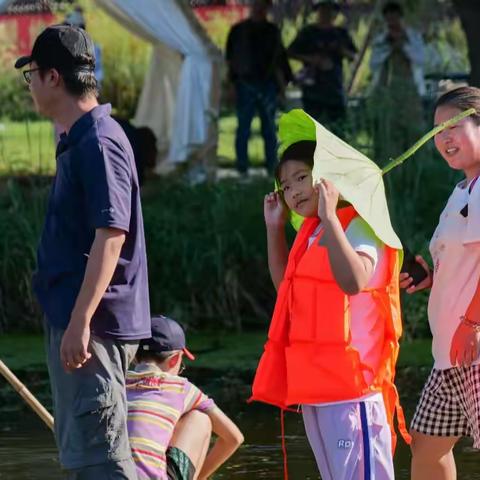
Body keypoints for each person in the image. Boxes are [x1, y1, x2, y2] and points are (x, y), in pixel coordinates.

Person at [14, 24, 150, 478]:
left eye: (31, 73)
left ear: (53, 76)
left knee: (103, 462)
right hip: (81, 327)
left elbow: (111, 233)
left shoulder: (99, 140)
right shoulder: (77, 138)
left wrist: (81, 320)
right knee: (86, 459)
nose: (29, 84)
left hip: (95, 331)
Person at [250, 133, 409, 479]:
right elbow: (286, 292)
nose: (292, 191)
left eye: (302, 177)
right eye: (285, 184)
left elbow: (354, 281)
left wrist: (332, 219)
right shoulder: (311, 232)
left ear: (328, 176)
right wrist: (274, 228)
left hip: (354, 391)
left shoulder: (360, 226)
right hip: (316, 389)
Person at [400, 86, 480, 480]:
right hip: (448, 350)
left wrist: (472, 325)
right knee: (427, 442)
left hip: (473, 344)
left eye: (453, 126)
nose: (443, 138)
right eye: (436, 131)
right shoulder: (461, 191)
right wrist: (432, 278)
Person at [127, 315, 244, 480]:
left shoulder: (117, 385)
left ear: (134, 357)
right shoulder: (181, 388)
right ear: (175, 359)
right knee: (200, 419)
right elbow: (234, 438)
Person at [226, 0, 292, 176]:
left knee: (269, 127)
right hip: (244, 83)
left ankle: (272, 165)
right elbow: (230, 62)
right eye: (256, 4)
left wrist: (281, 89)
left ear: (267, 7)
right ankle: (242, 166)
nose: (259, 8)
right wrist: (231, 86)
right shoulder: (237, 31)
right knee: (243, 127)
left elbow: (279, 62)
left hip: (267, 84)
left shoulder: (272, 32)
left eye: (263, 4)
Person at [369, 1, 426, 161]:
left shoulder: (413, 37)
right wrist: (390, 46)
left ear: (401, 18)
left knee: (412, 129)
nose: (392, 22)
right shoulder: (381, 40)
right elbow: (373, 64)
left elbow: (420, 59)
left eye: (395, 18)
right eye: (389, 19)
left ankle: (415, 163)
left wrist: (403, 45)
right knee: (387, 131)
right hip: (386, 92)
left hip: (410, 92)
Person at [288, 0, 356, 129]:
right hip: (313, 88)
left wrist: (342, 51)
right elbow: (291, 52)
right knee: (313, 128)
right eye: (323, 10)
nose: (326, 13)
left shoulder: (341, 33)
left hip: (334, 87)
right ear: (317, 11)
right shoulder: (308, 32)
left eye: (330, 10)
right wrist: (311, 59)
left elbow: (353, 56)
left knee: (339, 127)